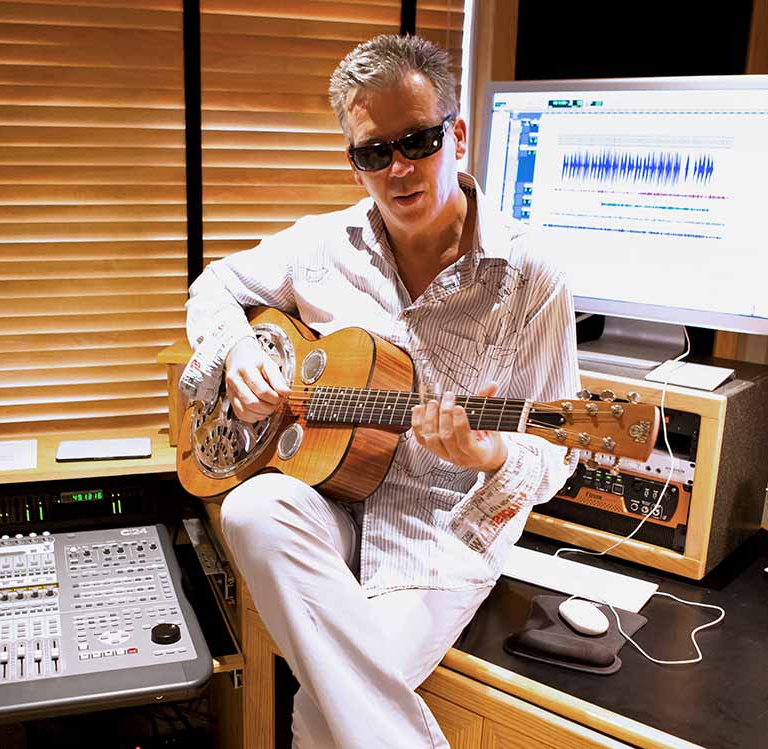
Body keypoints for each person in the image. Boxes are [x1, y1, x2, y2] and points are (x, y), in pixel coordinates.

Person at [181, 34, 580, 748]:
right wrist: (237, 348)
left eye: (419, 140)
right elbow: (216, 284)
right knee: (249, 507)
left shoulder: (532, 276)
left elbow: (558, 449)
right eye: (374, 152)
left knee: (326, 716)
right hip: (329, 500)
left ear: (456, 134)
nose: (399, 168)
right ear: (353, 160)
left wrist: (492, 454)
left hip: (440, 531)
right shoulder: (319, 243)